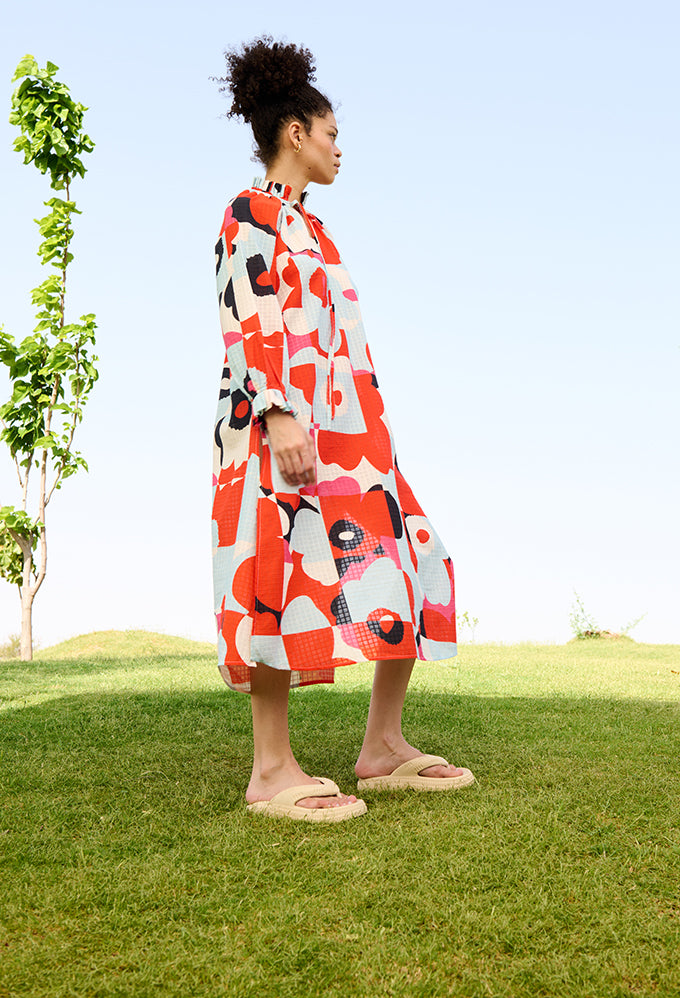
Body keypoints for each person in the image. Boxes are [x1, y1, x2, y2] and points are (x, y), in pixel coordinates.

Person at [213, 37, 473, 822]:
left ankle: (381, 748)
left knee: (414, 554)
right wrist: (281, 413)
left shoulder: (318, 233)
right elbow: (245, 318)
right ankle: (270, 769)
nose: (338, 149)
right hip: (276, 428)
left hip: (351, 435)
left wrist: (368, 434)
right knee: (278, 576)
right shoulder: (248, 214)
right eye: (331, 134)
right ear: (294, 131)